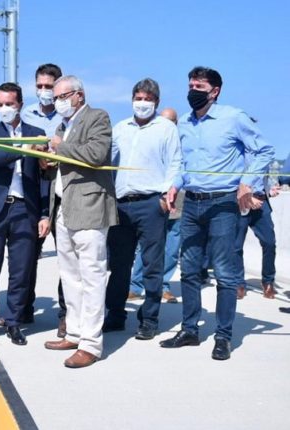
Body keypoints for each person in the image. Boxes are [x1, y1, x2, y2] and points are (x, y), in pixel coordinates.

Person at [160, 66, 274, 361]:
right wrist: (174, 185)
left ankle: (223, 336)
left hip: (223, 204)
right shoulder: (184, 124)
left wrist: (247, 182)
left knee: (224, 272)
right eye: (190, 86)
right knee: (189, 269)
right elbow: (182, 164)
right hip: (191, 203)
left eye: (199, 87)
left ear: (215, 91)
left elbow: (264, 150)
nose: (192, 92)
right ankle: (189, 330)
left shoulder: (233, 118)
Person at [42, 75, 117, 369]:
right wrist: (49, 161)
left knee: (92, 276)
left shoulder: (97, 117)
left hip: (89, 206)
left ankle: (91, 344)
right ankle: (73, 332)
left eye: (62, 96)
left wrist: (60, 148)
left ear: (79, 95)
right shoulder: (62, 127)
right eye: (55, 98)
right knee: (70, 276)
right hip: (64, 207)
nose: (57, 102)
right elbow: (66, 160)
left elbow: (96, 154)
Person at [103, 79, 181, 340]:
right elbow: (106, 159)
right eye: (138, 98)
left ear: (156, 102)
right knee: (119, 264)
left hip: (151, 204)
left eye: (148, 99)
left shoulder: (166, 128)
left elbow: (175, 163)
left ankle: (149, 318)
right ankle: (115, 314)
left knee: (152, 265)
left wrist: (166, 195)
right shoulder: (120, 128)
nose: (142, 103)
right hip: (121, 205)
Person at [0, 82, 46, 347]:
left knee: (21, 269)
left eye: (9, 104)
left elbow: (44, 177)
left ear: (20, 105)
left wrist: (44, 213)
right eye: (0, 104)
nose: (4, 108)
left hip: (24, 209)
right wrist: (23, 147)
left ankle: (14, 321)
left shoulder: (37, 134)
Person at [21, 63, 66, 334]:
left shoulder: (68, 114)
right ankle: (23, 307)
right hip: (35, 189)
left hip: (61, 191)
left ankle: (65, 313)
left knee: (67, 257)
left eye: (49, 86)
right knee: (27, 255)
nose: (44, 91)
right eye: (39, 86)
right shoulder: (26, 114)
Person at [129, 108, 183, 304]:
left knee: (171, 250)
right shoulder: (152, 137)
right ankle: (135, 286)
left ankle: (164, 286)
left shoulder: (181, 140)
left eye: (171, 121)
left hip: (177, 204)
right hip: (154, 203)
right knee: (146, 248)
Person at [234, 164, 277, 300]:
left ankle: (268, 282)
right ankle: (238, 283)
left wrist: (270, 189)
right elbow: (232, 180)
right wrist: (248, 197)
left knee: (269, 243)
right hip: (241, 202)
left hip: (261, 203)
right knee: (236, 246)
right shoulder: (237, 154)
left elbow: (266, 179)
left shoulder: (263, 157)